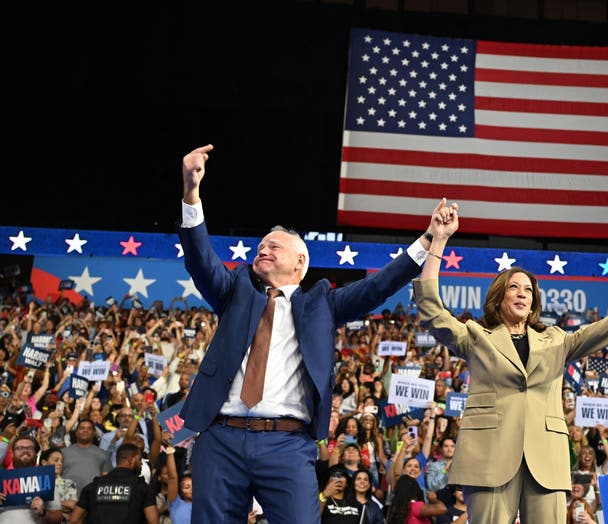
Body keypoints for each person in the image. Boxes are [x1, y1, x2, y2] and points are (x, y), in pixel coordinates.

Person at [176, 144, 455, 523]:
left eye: (273, 245)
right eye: (260, 247)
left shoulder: (323, 304)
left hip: (288, 445)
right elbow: (199, 260)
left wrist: (428, 238)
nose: (263, 250)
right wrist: (191, 192)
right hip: (221, 439)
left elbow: (379, 286)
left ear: (301, 262)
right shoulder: (235, 290)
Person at [412, 203, 608, 523]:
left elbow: (604, 330)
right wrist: (438, 239)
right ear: (498, 296)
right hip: (488, 458)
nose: (522, 294)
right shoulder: (476, 336)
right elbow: (431, 310)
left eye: (528, 290)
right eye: (513, 287)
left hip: (545, 460)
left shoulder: (556, 340)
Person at [70, 442, 158, 524]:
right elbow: (153, 520)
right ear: (131, 460)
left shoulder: (93, 486)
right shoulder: (142, 487)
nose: (141, 464)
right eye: (139, 459)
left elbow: (74, 520)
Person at [0, 434, 62, 523]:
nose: (25, 451)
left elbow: (58, 517)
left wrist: (43, 512)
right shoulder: (1, 479)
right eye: (19, 448)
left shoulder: (46, 478)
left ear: (36, 456)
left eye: (30, 448)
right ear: (12, 455)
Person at [62, 419, 112, 497]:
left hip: (92, 500)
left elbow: (107, 481)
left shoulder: (104, 454)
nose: (85, 430)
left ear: (94, 433)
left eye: (89, 429)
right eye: (82, 428)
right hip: (66, 499)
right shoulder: (63, 453)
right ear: (76, 433)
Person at [40, 446, 78, 524]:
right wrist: (62, 505)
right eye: (56, 460)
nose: (60, 463)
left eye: (61, 461)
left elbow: (72, 505)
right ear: (44, 463)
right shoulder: (36, 483)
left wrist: (44, 506)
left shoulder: (68, 483)